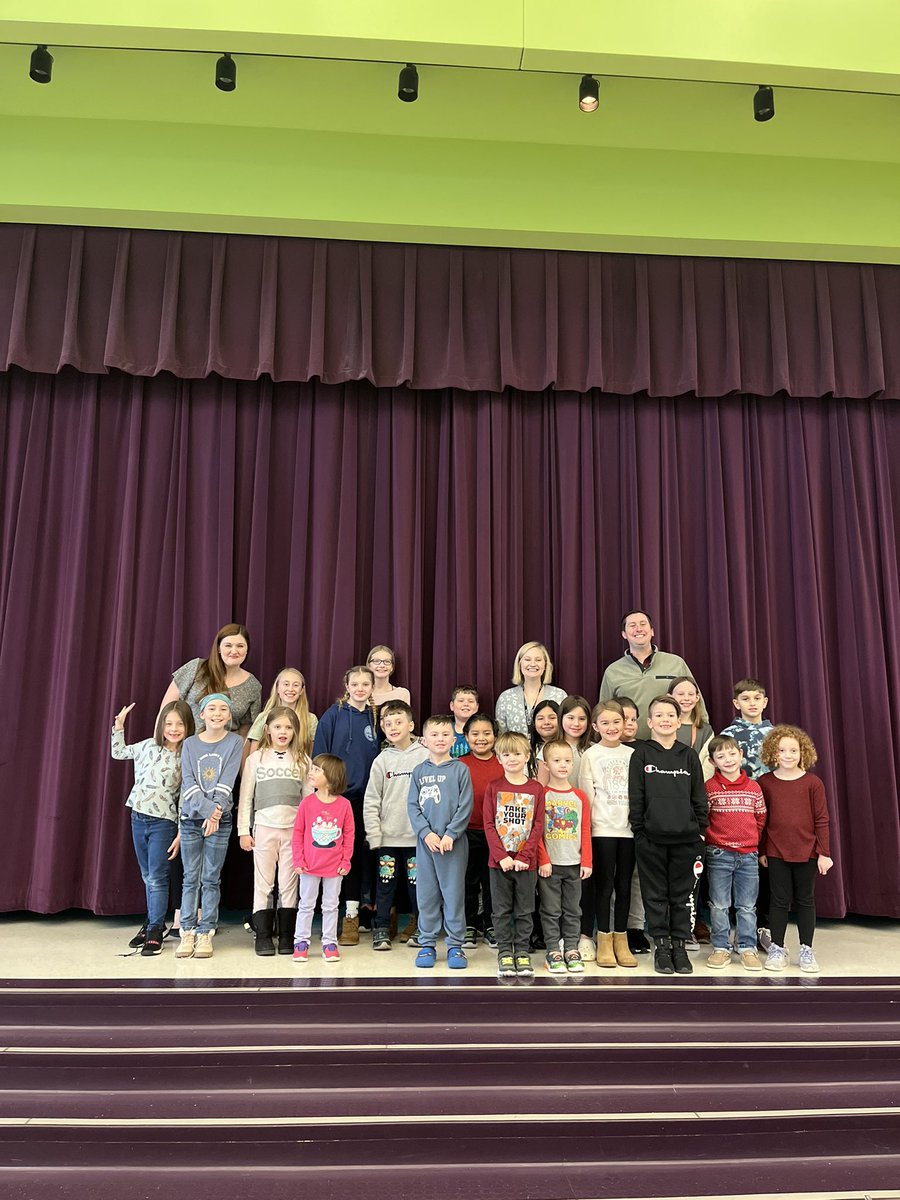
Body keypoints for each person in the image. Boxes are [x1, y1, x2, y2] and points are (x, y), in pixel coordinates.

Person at [628, 694, 708, 976]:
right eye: (659, 715)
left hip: (686, 840)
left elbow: (699, 797)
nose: (665, 720)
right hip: (651, 839)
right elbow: (636, 798)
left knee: (683, 897)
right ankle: (661, 948)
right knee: (655, 896)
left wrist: (700, 831)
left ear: (679, 721)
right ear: (649, 722)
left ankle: (679, 946)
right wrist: (640, 832)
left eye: (670, 715)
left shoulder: (688, 755)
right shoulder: (642, 755)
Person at [112, 700, 195, 955]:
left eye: (179, 724)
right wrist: (118, 727)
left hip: (164, 822)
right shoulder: (148, 746)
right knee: (147, 876)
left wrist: (181, 833)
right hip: (138, 817)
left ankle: (156, 929)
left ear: (188, 726)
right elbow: (119, 753)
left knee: (158, 878)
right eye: (169, 723)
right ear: (161, 725)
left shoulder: (186, 756)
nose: (173, 728)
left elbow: (184, 798)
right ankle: (150, 921)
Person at [312, 665, 381, 945]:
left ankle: (373, 912)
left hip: (374, 799)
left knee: (373, 854)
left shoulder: (377, 718)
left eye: (366, 683)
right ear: (347, 685)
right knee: (347, 857)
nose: (361, 688)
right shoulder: (334, 715)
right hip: (342, 799)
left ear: (372, 687)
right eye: (356, 683)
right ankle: (349, 915)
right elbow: (320, 756)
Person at [759, 725, 832, 974]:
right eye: (782, 750)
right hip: (776, 851)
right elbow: (762, 820)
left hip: (808, 852)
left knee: (805, 900)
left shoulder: (813, 783)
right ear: (773, 753)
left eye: (793, 750)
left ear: (803, 752)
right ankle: (777, 948)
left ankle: (806, 950)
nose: (788, 755)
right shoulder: (765, 782)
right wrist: (762, 851)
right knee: (778, 901)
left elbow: (821, 818)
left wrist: (824, 852)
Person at [175, 694, 243, 960]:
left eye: (223, 709)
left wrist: (215, 815)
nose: (217, 713)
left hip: (221, 819)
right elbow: (189, 781)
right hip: (192, 818)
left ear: (229, 716)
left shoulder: (234, 742)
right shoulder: (190, 743)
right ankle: (187, 930)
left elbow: (228, 780)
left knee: (211, 877)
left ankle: (206, 931)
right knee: (190, 877)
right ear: (201, 714)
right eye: (211, 708)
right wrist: (207, 812)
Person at [238, 706, 307, 956]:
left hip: (292, 832)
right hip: (264, 829)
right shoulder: (256, 759)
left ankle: (287, 935)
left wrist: (306, 835)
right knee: (263, 884)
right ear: (267, 730)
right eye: (278, 727)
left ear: (295, 732)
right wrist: (243, 831)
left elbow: (308, 801)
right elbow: (246, 797)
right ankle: (263, 935)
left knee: (289, 884)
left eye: (288, 727)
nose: (283, 732)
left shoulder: (302, 760)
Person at [407, 715, 474, 970]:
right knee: (427, 895)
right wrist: (426, 833)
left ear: (453, 738)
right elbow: (412, 806)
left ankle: (456, 945)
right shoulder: (419, 771)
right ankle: (427, 944)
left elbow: (465, 806)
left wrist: (450, 834)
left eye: (445, 734)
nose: (440, 739)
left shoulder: (460, 769)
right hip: (426, 845)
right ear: (424, 740)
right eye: (434, 734)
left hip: (453, 845)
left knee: (453, 894)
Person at [363, 701, 429, 951]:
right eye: (387, 723)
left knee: (417, 886)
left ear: (411, 726)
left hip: (416, 839)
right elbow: (371, 800)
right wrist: (374, 833)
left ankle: (420, 926)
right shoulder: (382, 760)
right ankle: (381, 928)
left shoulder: (424, 755)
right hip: (388, 839)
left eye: (398, 722)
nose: (392, 727)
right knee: (385, 885)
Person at [577, 699, 637, 968]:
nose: (611, 727)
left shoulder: (633, 754)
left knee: (624, 886)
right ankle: (603, 939)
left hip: (629, 831)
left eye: (617, 722)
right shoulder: (591, 755)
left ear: (626, 724)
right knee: (604, 887)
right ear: (595, 726)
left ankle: (621, 940)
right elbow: (587, 797)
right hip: (602, 830)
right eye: (605, 723)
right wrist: (588, 830)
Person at [483, 731, 545, 980]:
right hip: (499, 863)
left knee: (524, 909)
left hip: (525, 863)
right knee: (500, 911)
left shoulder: (535, 788)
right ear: (498, 758)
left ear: (527, 756)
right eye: (506, 754)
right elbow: (489, 824)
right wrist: (502, 856)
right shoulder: (494, 787)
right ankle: (504, 952)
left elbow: (537, 825)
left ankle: (522, 951)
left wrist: (524, 856)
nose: (512, 758)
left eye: (517, 753)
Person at [703, 735, 766, 972]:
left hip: (748, 855)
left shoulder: (754, 788)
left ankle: (747, 948)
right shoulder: (709, 788)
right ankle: (721, 947)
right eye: (721, 756)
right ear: (712, 761)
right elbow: (705, 818)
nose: (727, 760)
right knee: (719, 904)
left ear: (741, 755)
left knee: (747, 905)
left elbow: (760, 818)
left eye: (731, 754)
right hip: (719, 854)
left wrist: (752, 841)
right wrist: (715, 840)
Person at [291, 754, 354, 964]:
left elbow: (348, 835)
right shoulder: (307, 804)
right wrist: (298, 860)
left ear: (331, 776)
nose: (312, 772)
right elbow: (298, 833)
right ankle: (301, 942)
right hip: (309, 865)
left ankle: (329, 943)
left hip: (334, 867)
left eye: (317, 770)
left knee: (331, 905)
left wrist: (346, 861)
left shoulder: (344, 805)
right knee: (306, 905)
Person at [598, 611, 701, 739]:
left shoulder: (676, 663)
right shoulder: (613, 671)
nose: (638, 629)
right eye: (632, 625)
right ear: (624, 634)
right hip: (629, 746)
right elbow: (604, 712)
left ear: (652, 631)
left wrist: (703, 732)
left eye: (643, 624)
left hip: (672, 744)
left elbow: (697, 701)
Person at [537, 739, 592, 975]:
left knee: (573, 910)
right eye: (557, 760)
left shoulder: (579, 797)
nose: (563, 765)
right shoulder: (542, 794)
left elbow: (585, 829)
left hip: (574, 864)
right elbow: (536, 831)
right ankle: (553, 950)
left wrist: (587, 861)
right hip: (550, 865)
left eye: (567, 761)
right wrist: (543, 859)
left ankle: (571, 948)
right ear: (546, 765)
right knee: (550, 910)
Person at [160, 623, 261, 735]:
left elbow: (247, 728)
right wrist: (157, 743)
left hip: (224, 750)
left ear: (247, 649)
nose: (234, 651)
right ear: (218, 648)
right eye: (228, 645)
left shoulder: (253, 686)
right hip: (183, 746)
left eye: (240, 646)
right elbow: (166, 708)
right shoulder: (196, 668)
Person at [460, 713, 504, 949]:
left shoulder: (503, 763)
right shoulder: (459, 764)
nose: (481, 738)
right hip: (466, 832)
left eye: (487, 733)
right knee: (468, 880)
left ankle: (490, 924)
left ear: (495, 736)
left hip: (496, 835)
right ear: (466, 737)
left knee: (492, 883)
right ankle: (468, 924)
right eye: (475, 734)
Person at [495, 641, 567, 734]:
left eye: (538, 660)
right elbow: (501, 735)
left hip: (551, 748)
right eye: (527, 660)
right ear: (519, 664)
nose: (533, 664)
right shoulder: (506, 698)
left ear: (545, 665)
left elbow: (565, 732)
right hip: (515, 749)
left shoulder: (559, 695)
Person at [245, 668, 318, 759]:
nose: (290, 689)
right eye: (286, 684)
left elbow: (311, 755)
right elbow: (252, 757)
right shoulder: (264, 717)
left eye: (296, 685)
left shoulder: (310, 719)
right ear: (277, 688)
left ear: (301, 691)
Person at [717, 678, 774, 781]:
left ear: (765, 702)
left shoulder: (777, 734)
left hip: (774, 791)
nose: (752, 703)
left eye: (757, 698)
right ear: (736, 703)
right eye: (745, 699)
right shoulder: (728, 735)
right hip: (742, 792)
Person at [671, 676, 713, 755]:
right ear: (670, 697)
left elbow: (707, 763)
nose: (686, 698)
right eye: (680, 694)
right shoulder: (663, 726)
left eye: (691, 694)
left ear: (697, 698)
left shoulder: (706, 730)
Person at [558, 695, 594, 782]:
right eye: (570, 718)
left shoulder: (594, 749)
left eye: (582, 719)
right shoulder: (549, 748)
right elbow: (542, 787)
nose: (576, 723)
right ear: (561, 718)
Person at [530, 699, 561, 785]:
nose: (546, 722)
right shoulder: (525, 747)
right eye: (540, 719)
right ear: (533, 723)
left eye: (552, 718)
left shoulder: (565, 748)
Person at [449, 685, 480, 758]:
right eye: (461, 701)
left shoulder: (482, 732)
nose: (466, 704)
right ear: (452, 706)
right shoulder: (444, 730)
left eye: (471, 701)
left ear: (477, 707)